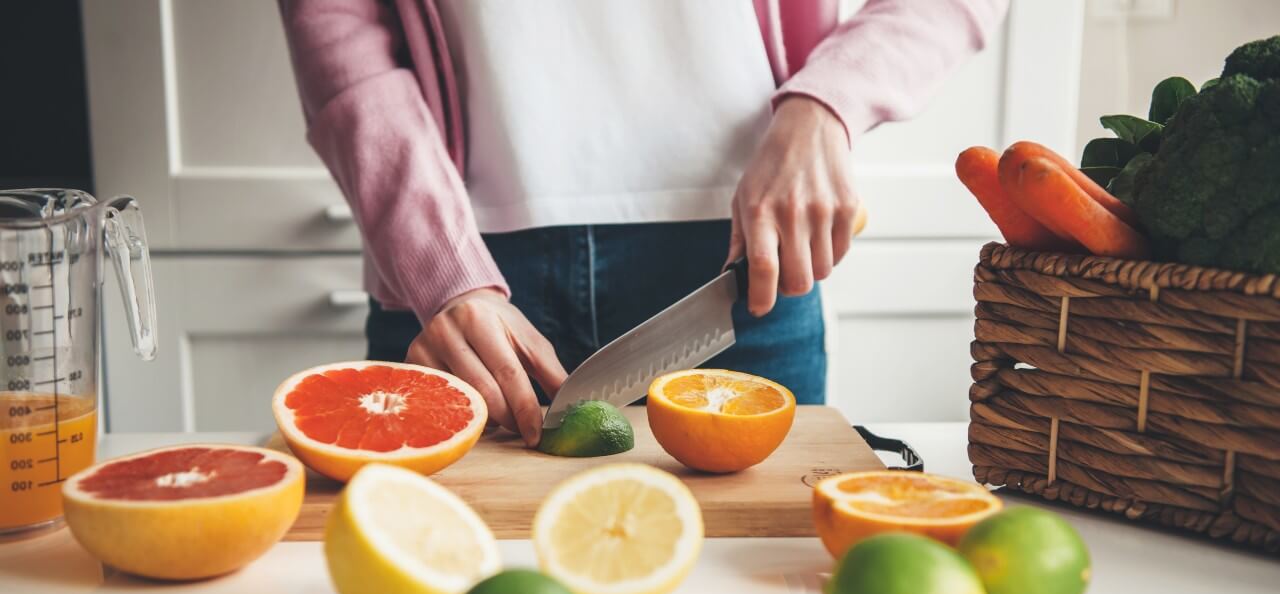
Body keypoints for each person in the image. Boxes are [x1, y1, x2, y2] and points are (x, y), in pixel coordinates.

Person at [279, 0, 1007, 446]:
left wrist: (829, 104)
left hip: (742, 263)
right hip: (462, 287)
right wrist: (430, 258)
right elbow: (333, 15)